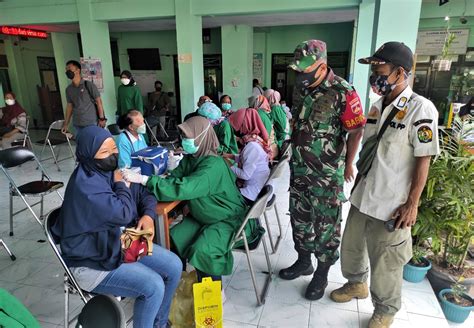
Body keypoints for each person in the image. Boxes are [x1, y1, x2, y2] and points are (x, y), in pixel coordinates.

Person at [330, 42, 440, 328]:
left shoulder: (421, 109)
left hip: (392, 204)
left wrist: (412, 204)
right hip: (364, 195)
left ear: (399, 72)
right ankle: (356, 284)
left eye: (379, 69)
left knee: (386, 262)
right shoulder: (377, 107)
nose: (374, 75)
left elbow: (424, 159)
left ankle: (386, 309)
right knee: (351, 248)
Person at [51, 126, 181, 328]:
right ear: (87, 156)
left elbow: (144, 192)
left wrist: (147, 216)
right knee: (153, 286)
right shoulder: (87, 189)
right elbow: (124, 214)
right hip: (91, 262)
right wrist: (121, 185)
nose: (112, 155)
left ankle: (159, 323)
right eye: (104, 152)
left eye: (114, 149)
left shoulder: (105, 171)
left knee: (174, 265)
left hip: (116, 243)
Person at [121, 116, 262, 283]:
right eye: (183, 137)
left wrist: (145, 179)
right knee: (174, 236)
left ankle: (213, 291)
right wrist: (158, 179)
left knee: (203, 250)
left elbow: (184, 187)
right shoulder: (193, 158)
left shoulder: (212, 166)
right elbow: (176, 177)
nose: (184, 141)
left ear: (201, 137)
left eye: (188, 137)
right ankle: (177, 280)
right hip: (208, 215)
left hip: (228, 218)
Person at [279, 40, 365, 302]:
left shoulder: (343, 92)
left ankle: (322, 273)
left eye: (305, 70)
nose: (300, 75)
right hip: (300, 172)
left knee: (326, 226)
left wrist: (349, 163)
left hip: (327, 176)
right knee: (300, 219)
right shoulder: (301, 89)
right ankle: (303, 261)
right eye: (298, 70)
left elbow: (356, 129)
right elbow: (298, 123)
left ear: (322, 66)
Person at [226, 108, 270, 203]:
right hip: (259, 188)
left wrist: (229, 165)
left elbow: (245, 175)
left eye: (236, 127)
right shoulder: (255, 140)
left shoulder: (252, 146)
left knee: (220, 194)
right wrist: (231, 156)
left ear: (244, 126)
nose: (235, 130)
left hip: (252, 194)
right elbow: (248, 159)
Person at [62, 60, 107, 136]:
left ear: (78, 70)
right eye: (66, 69)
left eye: (69, 68)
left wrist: (102, 119)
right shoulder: (68, 89)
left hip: (91, 122)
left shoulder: (88, 85)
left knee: (93, 145)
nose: (67, 71)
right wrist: (66, 123)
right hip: (77, 124)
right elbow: (69, 106)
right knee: (81, 145)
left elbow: (99, 102)